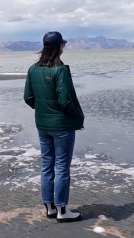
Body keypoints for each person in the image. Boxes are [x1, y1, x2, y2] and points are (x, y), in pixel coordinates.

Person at [23, 31, 84, 222]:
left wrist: (43, 109)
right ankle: (62, 211)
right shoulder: (60, 70)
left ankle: (49, 207)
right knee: (62, 168)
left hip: (43, 125)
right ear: (59, 47)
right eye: (63, 44)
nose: (63, 47)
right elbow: (65, 101)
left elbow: (28, 97)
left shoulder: (33, 69)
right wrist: (79, 115)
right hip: (62, 127)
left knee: (47, 166)